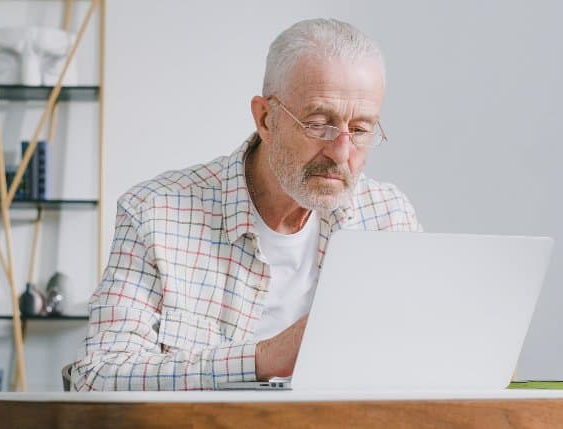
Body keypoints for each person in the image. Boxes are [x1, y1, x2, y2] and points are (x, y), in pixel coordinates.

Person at [71, 18, 420, 391]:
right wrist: (266, 358)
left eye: (362, 130)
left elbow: (422, 361)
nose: (341, 152)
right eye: (319, 124)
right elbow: (97, 378)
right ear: (265, 119)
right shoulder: (154, 213)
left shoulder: (388, 215)